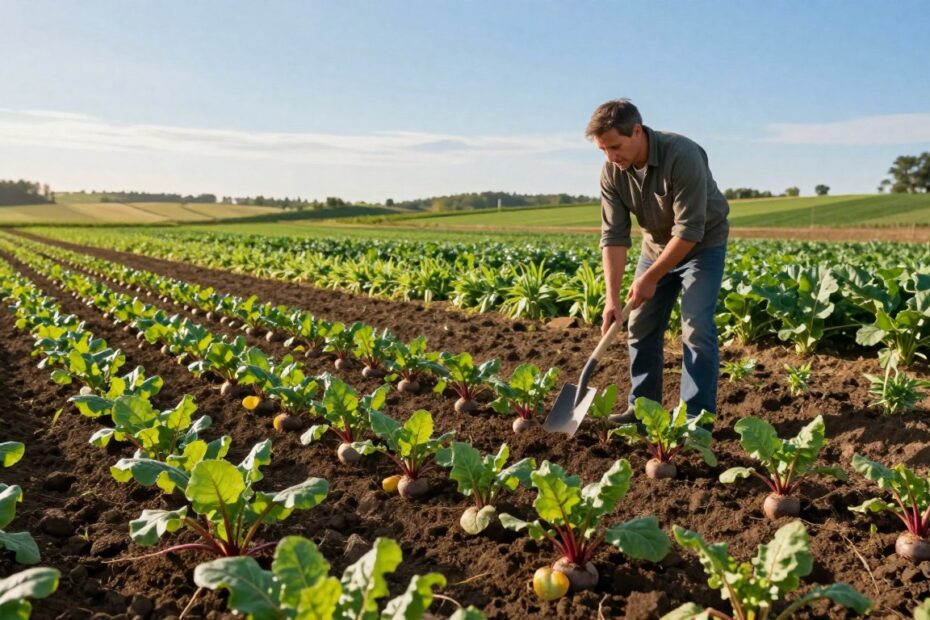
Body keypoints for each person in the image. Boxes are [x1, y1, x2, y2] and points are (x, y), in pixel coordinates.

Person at [586, 99, 729, 424]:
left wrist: (650, 278)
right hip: (655, 247)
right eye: (603, 149)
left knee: (696, 328)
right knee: (639, 324)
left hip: (702, 244)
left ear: (637, 131)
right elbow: (614, 237)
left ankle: (696, 420)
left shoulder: (682, 155)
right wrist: (612, 298)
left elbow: (690, 230)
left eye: (615, 146)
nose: (610, 156)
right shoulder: (612, 172)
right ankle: (643, 410)